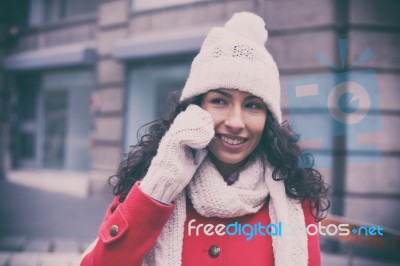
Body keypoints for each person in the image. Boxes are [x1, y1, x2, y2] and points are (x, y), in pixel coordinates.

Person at [80, 12, 330, 266]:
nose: (235, 122)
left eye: (253, 105)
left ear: (268, 120)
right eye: (220, 101)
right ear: (195, 108)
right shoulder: (149, 183)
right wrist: (159, 188)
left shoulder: (295, 199)